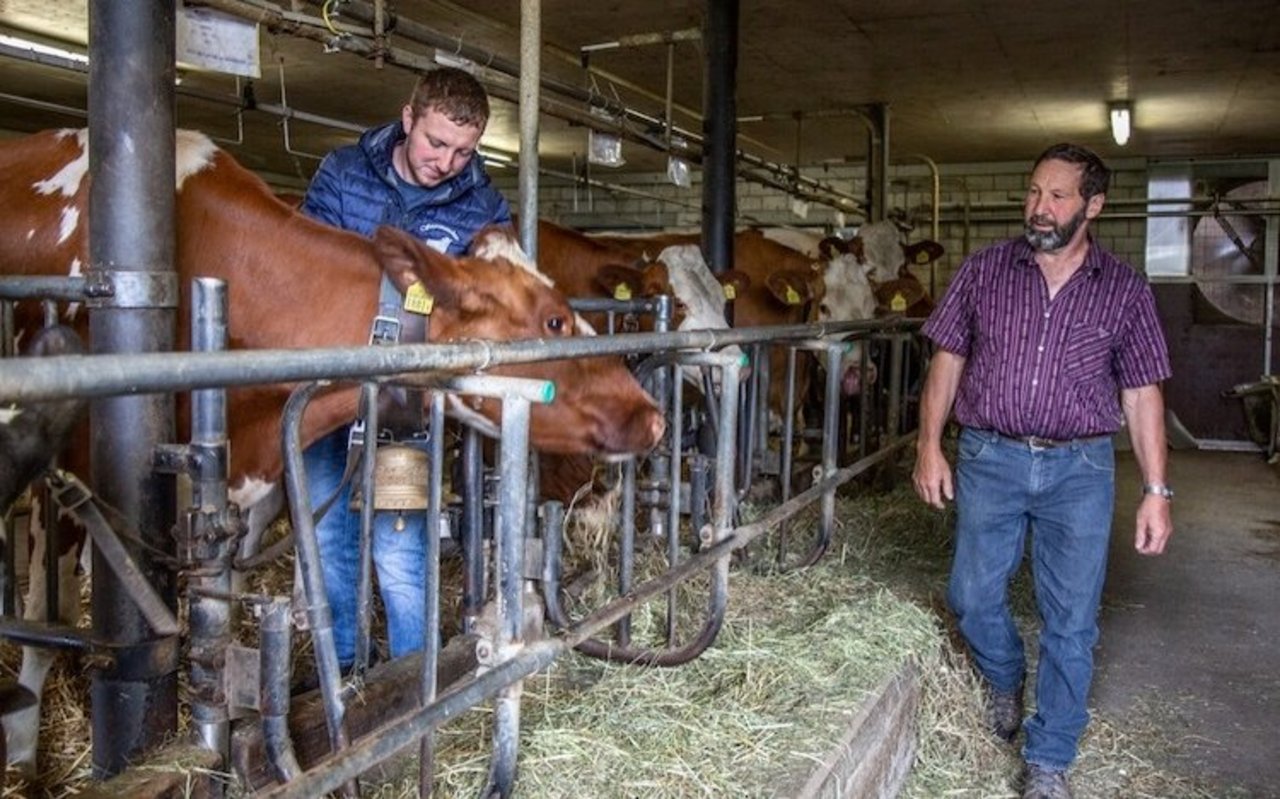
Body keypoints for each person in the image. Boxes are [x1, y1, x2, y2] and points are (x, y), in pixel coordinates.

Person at [911, 143, 1173, 799]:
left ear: (1093, 205)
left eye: (1057, 196)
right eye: (1033, 192)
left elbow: (1143, 393)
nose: (1040, 207)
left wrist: (1156, 490)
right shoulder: (984, 270)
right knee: (970, 595)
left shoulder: (1124, 289)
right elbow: (947, 361)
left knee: (1072, 621)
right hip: (990, 455)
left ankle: (1049, 757)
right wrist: (928, 444)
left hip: (1079, 467)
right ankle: (1004, 672)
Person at [299, 66, 512, 670]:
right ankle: (339, 675)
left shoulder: (482, 206)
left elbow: (491, 301)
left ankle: (409, 681)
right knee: (327, 537)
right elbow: (306, 262)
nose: (446, 162)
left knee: (400, 545)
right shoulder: (342, 173)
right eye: (435, 142)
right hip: (327, 385)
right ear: (408, 118)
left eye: (463, 151)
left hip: (404, 401)